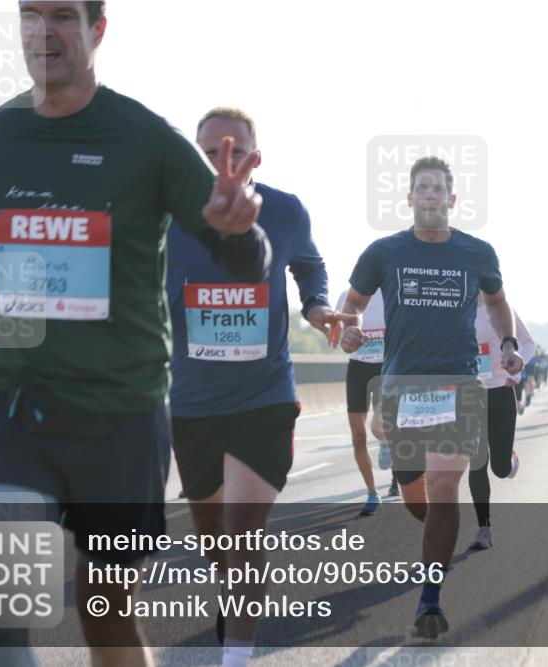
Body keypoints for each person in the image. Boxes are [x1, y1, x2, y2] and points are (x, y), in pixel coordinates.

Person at [0, 3, 270, 666]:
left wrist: (243, 235)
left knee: (105, 608)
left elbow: (234, 247)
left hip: (123, 416)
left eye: (63, 15)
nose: (44, 32)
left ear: (98, 30)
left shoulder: (145, 139)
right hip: (16, 406)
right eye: (30, 14)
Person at [165, 107, 354, 666]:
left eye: (236, 150)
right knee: (212, 533)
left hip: (264, 397)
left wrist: (320, 309)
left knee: (243, 533)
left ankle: (237, 656)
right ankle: (232, 596)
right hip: (191, 400)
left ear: (255, 156)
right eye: (208, 152)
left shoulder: (287, 211)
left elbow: (310, 267)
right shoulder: (166, 215)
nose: (222, 161)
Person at [333, 157, 524, 639]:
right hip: (401, 385)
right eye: (423, 188)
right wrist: (349, 330)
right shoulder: (384, 252)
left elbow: (498, 302)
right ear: (411, 198)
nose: (431, 195)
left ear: (452, 200)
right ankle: (396, 455)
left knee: (444, 488)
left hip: (459, 383)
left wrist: (507, 343)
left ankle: (429, 597)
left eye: (439, 188)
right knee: (418, 500)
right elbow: (351, 303)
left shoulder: (477, 253)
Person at [468, 295, 534, 549]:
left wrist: (516, 372)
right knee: (476, 460)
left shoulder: (501, 309)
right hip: (470, 393)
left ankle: (509, 460)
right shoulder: (457, 309)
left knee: (499, 468)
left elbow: (528, 344)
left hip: (500, 390)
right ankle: (483, 528)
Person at [336, 288, 399, 513]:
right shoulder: (346, 297)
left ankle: (385, 444)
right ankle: (372, 493)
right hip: (358, 368)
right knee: (358, 435)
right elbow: (338, 337)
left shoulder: (392, 292)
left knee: (380, 425)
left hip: (385, 367)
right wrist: (343, 337)